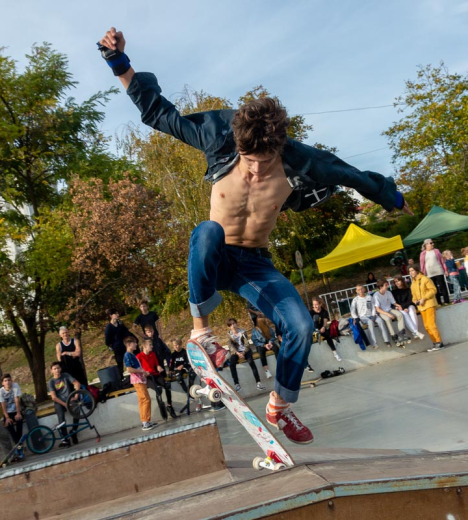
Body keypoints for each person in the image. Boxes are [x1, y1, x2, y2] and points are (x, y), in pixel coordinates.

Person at [98, 27, 410, 444]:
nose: (258, 170)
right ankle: (202, 333)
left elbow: (354, 175)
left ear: (280, 146)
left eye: (267, 161)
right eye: (250, 161)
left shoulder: (304, 160)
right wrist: (118, 61)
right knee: (207, 231)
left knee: (300, 324)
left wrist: (393, 197)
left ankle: (281, 406)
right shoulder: (216, 134)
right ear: (238, 144)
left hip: (254, 265)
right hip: (215, 256)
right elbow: (159, 113)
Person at [137, 339, 178, 419]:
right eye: (150, 345)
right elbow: (137, 368)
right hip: (147, 377)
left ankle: (169, 406)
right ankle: (161, 408)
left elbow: (156, 364)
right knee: (158, 389)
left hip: (155, 374)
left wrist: (159, 367)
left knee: (167, 385)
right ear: (145, 346)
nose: (152, 346)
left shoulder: (152, 354)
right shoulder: (139, 356)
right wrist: (143, 373)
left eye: (152, 345)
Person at [124, 336, 156, 431]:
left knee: (143, 400)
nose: (136, 344)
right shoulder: (127, 355)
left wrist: (144, 372)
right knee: (146, 399)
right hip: (137, 380)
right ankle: (145, 422)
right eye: (134, 343)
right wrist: (141, 371)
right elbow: (129, 369)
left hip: (140, 379)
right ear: (129, 344)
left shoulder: (132, 355)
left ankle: (146, 421)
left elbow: (138, 367)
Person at [408, 266, 444, 351]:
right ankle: (435, 343)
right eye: (409, 271)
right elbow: (413, 296)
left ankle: (439, 342)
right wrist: (415, 300)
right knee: (427, 326)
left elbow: (433, 290)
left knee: (431, 324)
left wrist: (424, 298)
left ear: (417, 270)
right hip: (421, 307)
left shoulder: (425, 279)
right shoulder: (413, 283)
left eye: (412, 270)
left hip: (429, 304)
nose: (411, 272)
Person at [48, 362, 82, 448]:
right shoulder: (51, 382)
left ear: (60, 369)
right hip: (59, 402)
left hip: (69, 399)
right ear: (51, 371)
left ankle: (73, 431)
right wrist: (64, 404)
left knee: (77, 411)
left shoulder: (65, 375)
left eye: (58, 368)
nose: (57, 370)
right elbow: (54, 397)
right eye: (55, 369)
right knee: (61, 419)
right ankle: (65, 439)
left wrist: (76, 396)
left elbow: (77, 383)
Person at [227, 318, 266, 392]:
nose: (233, 325)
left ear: (236, 323)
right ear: (229, 327)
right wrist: (238, 353)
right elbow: (230, 346)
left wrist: (243, 352)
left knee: (251, 362)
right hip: (236, 352)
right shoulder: (229, 335)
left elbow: (246, 343)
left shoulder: (243, 332)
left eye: (234, 323)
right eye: (231, 324)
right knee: (232, 363)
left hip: (246, 350)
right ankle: (237, 384)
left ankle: (258, 382)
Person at [373, 280, 411, 347]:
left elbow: (394, 303)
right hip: (382, 311)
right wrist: (388, 314)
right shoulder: (376, 295)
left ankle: (401, 333)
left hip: (389, 309)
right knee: (388, 319)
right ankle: (394, 336)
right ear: (381, 287)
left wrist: (399, 306)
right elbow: (378, 309)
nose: (388, 286)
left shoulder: (388, 293)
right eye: (386, 285)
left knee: (400, 314)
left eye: (387, 285)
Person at [104, 309, 135, 380]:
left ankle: (134, 374)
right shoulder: (109, 327)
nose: (117, 315)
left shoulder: (120, 323)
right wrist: (111, 345)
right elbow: (107, 339)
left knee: (130, 359)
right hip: (117, 347)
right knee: (120, 362)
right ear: (111, 316)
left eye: (117, 313)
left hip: (125, 345)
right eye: (115, 314)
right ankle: (121, 378)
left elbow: (126, 331)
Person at [310, 298, 342, 362]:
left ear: (320, 304)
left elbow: (325, 322)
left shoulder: (324, 312)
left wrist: (324, 327)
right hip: (314, 329)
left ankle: (335, 352)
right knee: (315, 317)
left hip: (322, 329)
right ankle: (317, 335)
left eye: (316, 304)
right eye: (313, 305)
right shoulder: (310, 312)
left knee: (328, 335)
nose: (314, 306)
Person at [420, 239, 450, 306]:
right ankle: (438, 302)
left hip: (438, 271)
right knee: (434, 288)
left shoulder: (436, 251)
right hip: (429, 273)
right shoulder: (422, 254)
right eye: (431, 243)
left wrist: (445, 270)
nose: (432, 244)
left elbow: (442, 260)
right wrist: (423, 273)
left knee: (442, 286)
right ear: (426, 244)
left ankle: (446, 301)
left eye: (432, 243)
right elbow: (422, 264)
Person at [0, 374, 24, 445]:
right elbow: (3, 405)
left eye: (9, 380)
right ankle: (19, 443)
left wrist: (18, 413)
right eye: (5, 381)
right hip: (8, 412)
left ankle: (19, 443)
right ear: (2, 383)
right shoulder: (0, 391)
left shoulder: (15, 386)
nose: (8, 382)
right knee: (9, 424)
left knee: (19, 421)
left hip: (16, 410)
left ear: (11, 381)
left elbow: (17, 400)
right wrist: (7, 417)